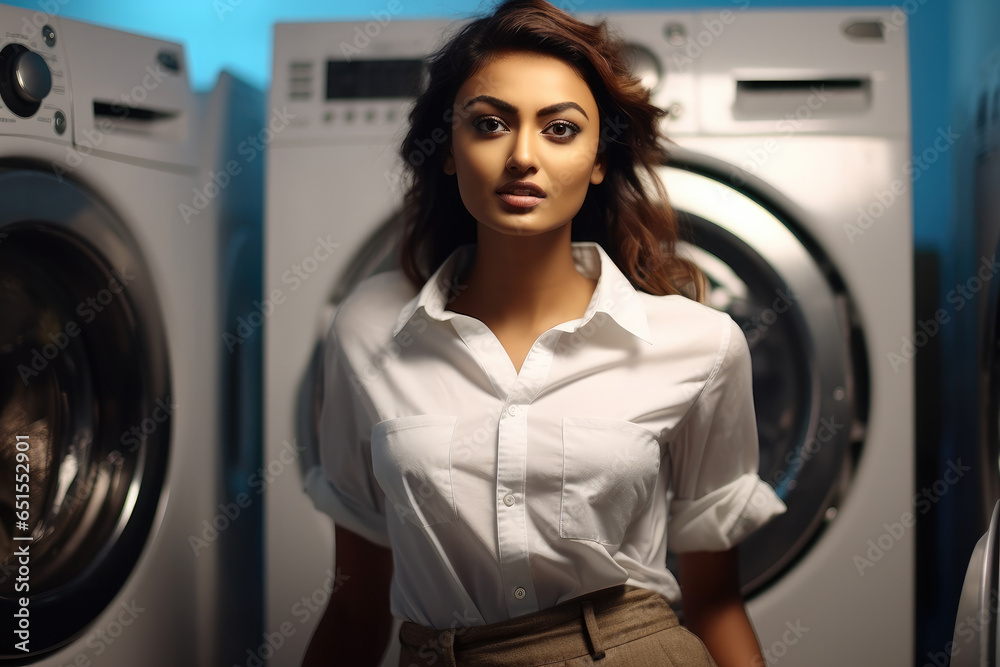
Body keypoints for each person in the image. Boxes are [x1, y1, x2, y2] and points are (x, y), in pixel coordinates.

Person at [302, 0, 787, 664]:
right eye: (491, 123)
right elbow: (356, 606)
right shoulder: (367, 329)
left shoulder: (699, 345)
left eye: (560, 129)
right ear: (448, 150)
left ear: (597, 161)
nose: (522, 156)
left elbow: (717, 603)